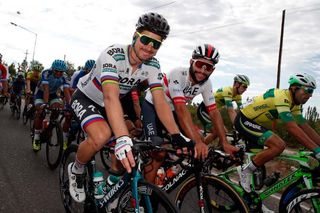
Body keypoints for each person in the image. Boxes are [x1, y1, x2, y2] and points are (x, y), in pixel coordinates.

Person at [68, 12, 189, 203]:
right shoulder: (113, 55)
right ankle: (77, 169)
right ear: (135, 37)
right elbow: (110, 96)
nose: (150, 47)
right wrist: (121, 138)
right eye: (146, 40)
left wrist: (176, 135)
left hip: (112, 103)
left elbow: (160, 102)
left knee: (131, 145)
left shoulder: (153, 66)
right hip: (87, 98)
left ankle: (111, 185)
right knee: (101, 136)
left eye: (156, 44)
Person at [142, 44, 239, 183]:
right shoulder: (178, 74)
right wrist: (198, 143)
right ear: (191, 62)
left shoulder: (206, 84)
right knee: (159, 152)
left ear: (213, 70)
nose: (203, 71)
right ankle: (146, 194)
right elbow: (181, 109)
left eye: (209, 68)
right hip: (152, 106)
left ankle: (170, 169)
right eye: (200, 64)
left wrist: (224, 142)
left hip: (172, 111)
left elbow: (214, 112)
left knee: (196, 139)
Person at [235, 73, 320, 193]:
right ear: (294, 88)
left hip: (257, 124)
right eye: (308, 90)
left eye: (312, 92)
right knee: (279, 145)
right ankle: (245, 170)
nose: (310, 95)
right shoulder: (282, 96)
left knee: (258, 171)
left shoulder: (295, 104)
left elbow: (304, 126)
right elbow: (292, 128)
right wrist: (317, 150)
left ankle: (253, 201)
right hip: (244, 119)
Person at [32, 59, 71, 151]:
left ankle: (52, 124)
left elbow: (66, 92)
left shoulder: (65, 77)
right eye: (56, 71)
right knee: (41, 110)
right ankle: (36, 137)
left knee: (58, 107)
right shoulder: (46, 73)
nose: (58, 73)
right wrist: (45, 104)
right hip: (41, 93)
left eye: (61, 71)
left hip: (53, 94)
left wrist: (70, 106)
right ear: (52, 69)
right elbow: (46, 90)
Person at [199, 74, 250, 143]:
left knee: (224, 132)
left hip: (212, 112)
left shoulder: (238, 96)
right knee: (217, 132)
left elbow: (242, 112)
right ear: (237, 84)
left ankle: (219, 150)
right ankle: (200, 149)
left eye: (246, 87)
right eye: (244, 86)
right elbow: (230, 110)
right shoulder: (228, 91)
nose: (245, 89)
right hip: (204, 110)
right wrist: (237, 126)